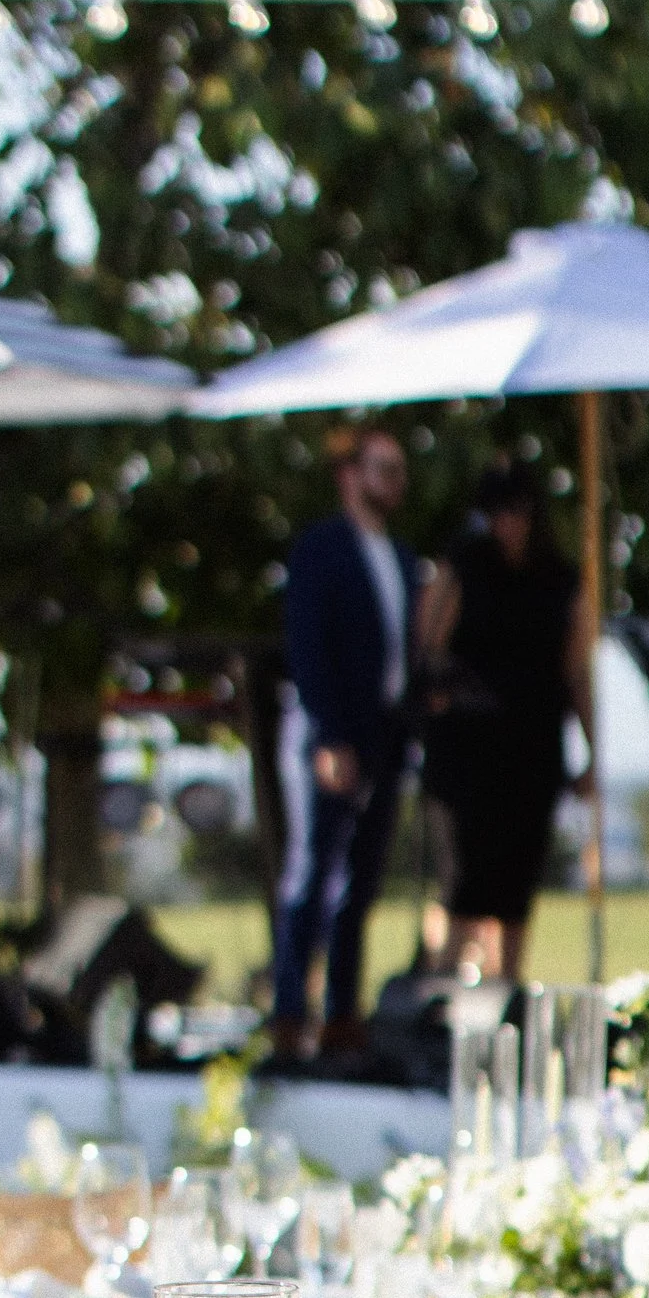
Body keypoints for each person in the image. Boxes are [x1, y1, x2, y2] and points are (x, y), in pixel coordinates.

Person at [269, 422, 419, 1064]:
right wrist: (328, 734)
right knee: (312, 868)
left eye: (398, 469)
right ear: (350, 475)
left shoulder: (405, 560)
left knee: (360, 879)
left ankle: (341, 1014)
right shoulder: (322, 549)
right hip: (328, 731)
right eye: (381, 468)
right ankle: (288, 1009)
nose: (394, 481)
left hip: (383, 733)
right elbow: (307, 646)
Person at [416, 460, 592, 984]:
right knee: (463, 879)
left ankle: (507, 987)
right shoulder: (462, 566)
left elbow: (576, 669)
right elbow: (429, 648)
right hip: (467, 749)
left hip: (532, 748)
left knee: (516, 884)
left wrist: (592, 750)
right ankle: (445, 984)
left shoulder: (559, 581)